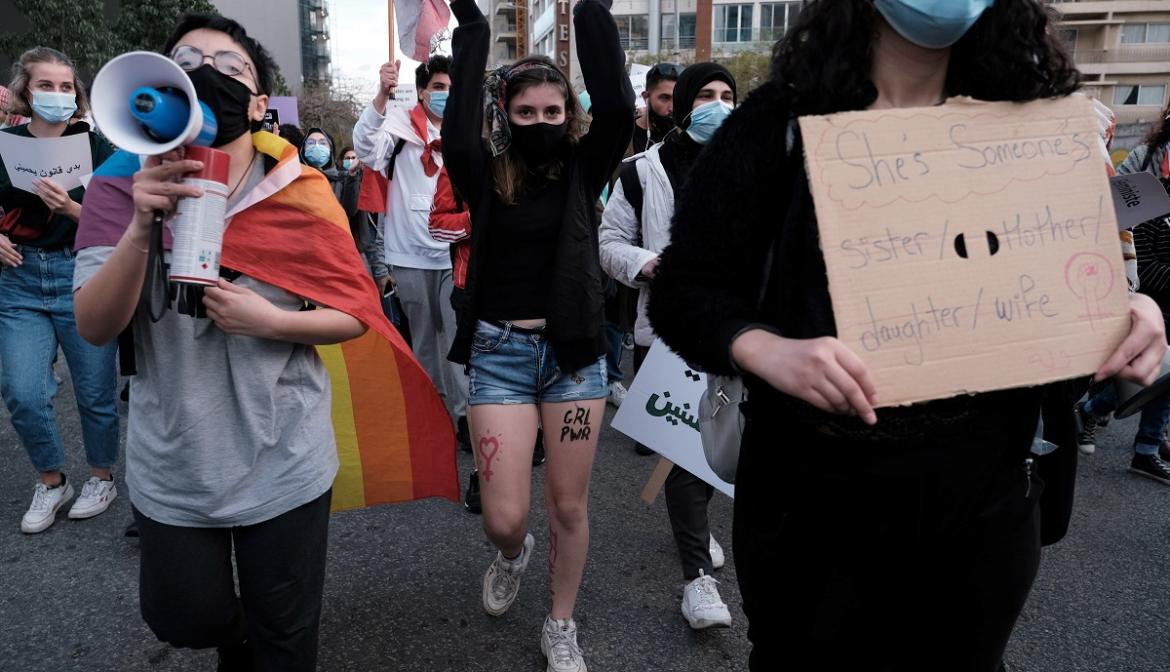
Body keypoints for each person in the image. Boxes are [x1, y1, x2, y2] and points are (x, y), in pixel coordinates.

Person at [647, 1, 1168, 670]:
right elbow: (685, 290)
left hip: (984, 502)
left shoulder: (1034, 125)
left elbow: (1070, 286)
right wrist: (764, 348)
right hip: (813, 505)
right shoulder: (779, 122)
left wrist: (1129, 313)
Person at [73, 14, 370, 670]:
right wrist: (141, 228)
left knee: (285, 644)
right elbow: (94, 326)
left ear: (260, 103)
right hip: (176, 460)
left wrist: (274, 323)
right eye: (186, 60)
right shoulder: (118, 187)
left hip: (285, 457)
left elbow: (355, 314)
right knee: (186, 616)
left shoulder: (304, 193)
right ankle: (239, 635)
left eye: (229, 65)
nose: (207, 72)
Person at [444, 0, 634, 667]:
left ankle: (560, 621)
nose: (541, 123)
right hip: (499, 355)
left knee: (569, 506)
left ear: (569, 116)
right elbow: (458, 132)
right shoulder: (485, 174)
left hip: (575, 358)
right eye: (526, 113)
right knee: (504, 517)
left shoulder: (587, 167)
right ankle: (512, 555)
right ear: (506, 115)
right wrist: (470, 28)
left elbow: (616, 106)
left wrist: (592, 12)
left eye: (553, 113)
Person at [600, 62, 736, 631]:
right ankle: (695, 581)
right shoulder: (639, 173)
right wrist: (647, 262)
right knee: (687, 451)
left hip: (740, 334)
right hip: (669, 332)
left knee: (723, 445)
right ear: (679, 104)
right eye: (705, 94)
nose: (718, 105)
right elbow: (609, 244)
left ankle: (697, 526)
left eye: (728, 95)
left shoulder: (755, 167)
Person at [0, 46, 119, 534]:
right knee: (23, 390)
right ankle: (52, 480)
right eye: (45, 85)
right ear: (25, 91)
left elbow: (121, 215)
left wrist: (73, 211)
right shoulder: (4, 144)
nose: (56, 94)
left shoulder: (97, 147)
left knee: (95, 391)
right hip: (20, 280)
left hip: (81, 272)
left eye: (66, 86)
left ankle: (101, 476)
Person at [353, 54, 472, 451]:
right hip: (409, 258)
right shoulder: (398, 128)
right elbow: (366, 149)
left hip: (453, 257)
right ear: (421, 92)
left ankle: (464, 419)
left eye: (452, 90)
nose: (445, 96)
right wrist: (382, 96)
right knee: (423, 343)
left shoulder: (466, 133)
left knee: (457, 342)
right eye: (438, 88)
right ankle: (433, 414)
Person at [1074, 106, 1170, 484]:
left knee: (1159, 369)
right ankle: (1096, 412)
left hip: (1147, 273)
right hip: (1136, 263)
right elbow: (1120, 225)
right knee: (1143, 362)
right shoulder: (1145, 163)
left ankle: (1146, 444)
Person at [631, 63, 678, 154]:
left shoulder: (687, 136)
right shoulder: (623, 135)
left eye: (678, 99)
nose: (672, 108)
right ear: (646, 97)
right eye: (665, 98)